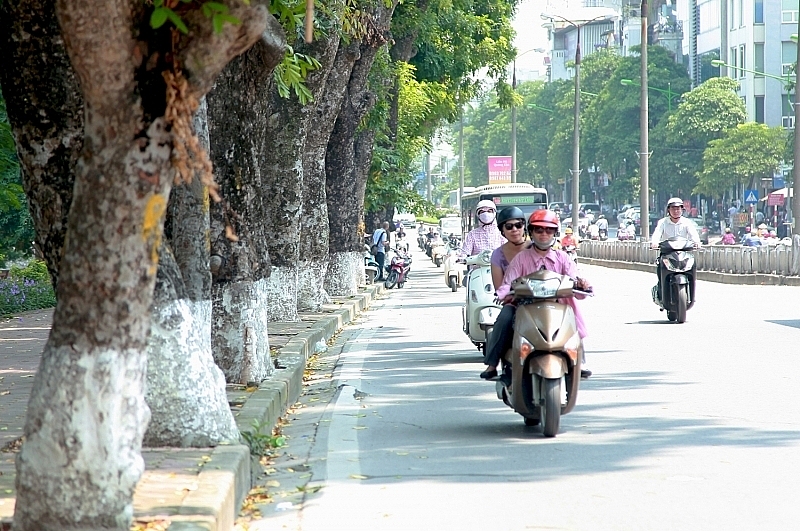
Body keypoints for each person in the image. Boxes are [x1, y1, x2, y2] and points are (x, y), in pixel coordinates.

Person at [481, 209, 592, 381]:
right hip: (523, 303)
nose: (544, 234)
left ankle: (580, 359)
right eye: (539, 230)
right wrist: (503, 293)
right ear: (531, 231)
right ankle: (493, 363)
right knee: (505, 318)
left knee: (572, 312)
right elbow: (507, 282)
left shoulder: (562, 257)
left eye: (549, 230)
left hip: (557, 302)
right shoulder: (519, 258)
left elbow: (574, 278)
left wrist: (581, 285)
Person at [650, 198, 701, 298]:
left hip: (684, 253)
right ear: (668, 210)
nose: (676, 211)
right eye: (673, 208)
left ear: (682, 210)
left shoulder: (687, 222)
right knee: (660, 268)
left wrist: (697, 242)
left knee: (692, 267)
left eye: (678, 209)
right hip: (667, 254)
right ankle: (661, 292)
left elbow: (693, 234)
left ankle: (691, 293)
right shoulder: (663, 222)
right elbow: (657, 234)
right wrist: (654, 243)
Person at [490, 207, 528, 290]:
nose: (514, 230)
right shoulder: (497, 255)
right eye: (509, 227)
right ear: (502, 230)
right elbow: (499, 288)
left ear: (524, 227)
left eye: (518, 225)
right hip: (512, 301)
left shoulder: (535, 248)